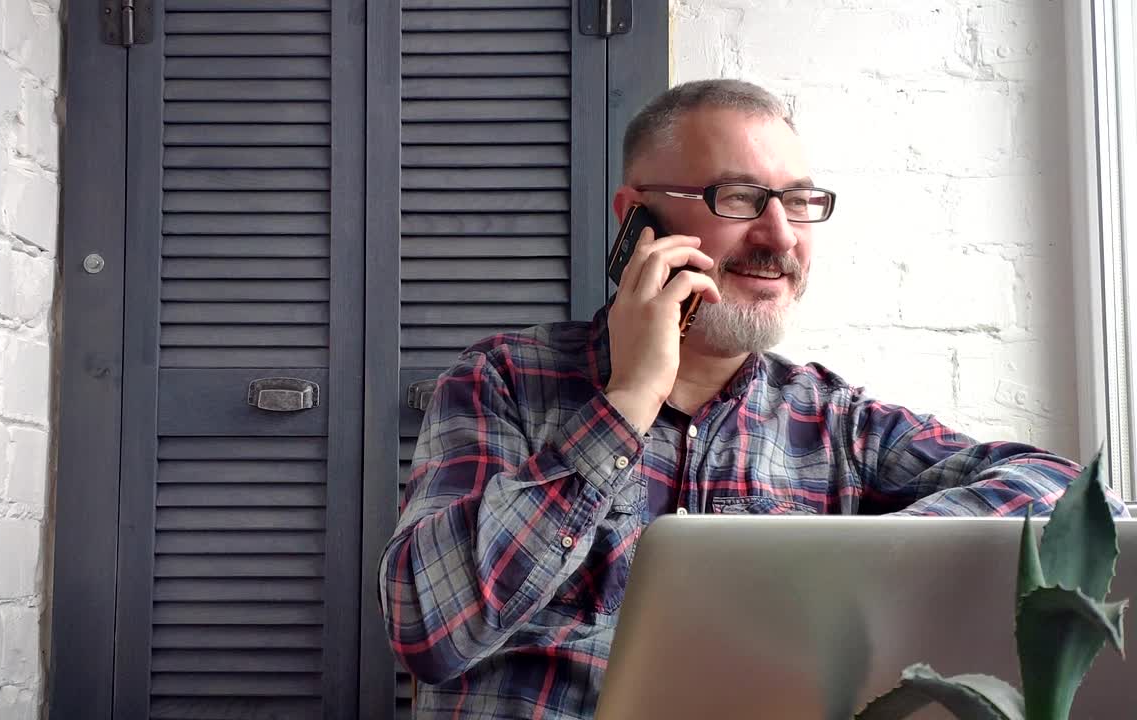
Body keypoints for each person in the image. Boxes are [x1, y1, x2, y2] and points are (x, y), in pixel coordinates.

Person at [378, 79, 1129, 719]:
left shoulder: (834, 421)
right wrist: (628, 402)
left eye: (800, 203)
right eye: (739, 197)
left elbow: (1066, 497)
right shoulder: (502, 382)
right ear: (636, 218)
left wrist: (866, 562)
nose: (779, 235)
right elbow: (428, 629)